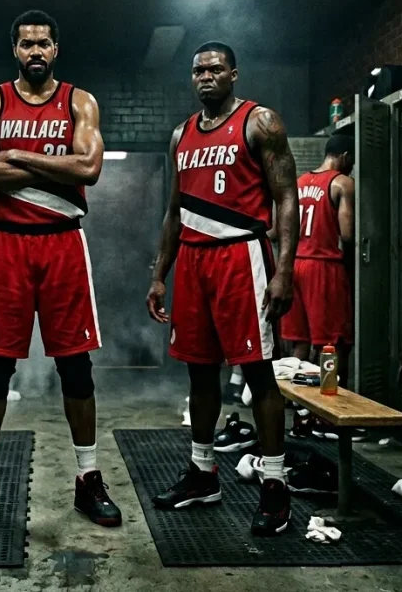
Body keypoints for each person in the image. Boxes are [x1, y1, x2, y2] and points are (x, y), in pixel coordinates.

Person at [0, 9, 121, 529]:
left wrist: (19, 154)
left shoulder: (78, 101)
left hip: (62, 243)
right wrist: (53, 164)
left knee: (76, 366)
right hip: (7, 244)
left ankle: (88, 478)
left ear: (55, 49)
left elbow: (89, 168)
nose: (35, 51)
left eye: (43, 43)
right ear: (15, 49)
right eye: (26, 43)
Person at [145, 41, 300, 536]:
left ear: (234, 74)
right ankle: (203, 472)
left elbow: (287, 197)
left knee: (258, 373)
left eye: (215, 69)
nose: (206, 76)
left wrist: (284, 270)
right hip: (193, 262)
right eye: (198, 70)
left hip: (242, 256)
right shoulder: (181, 134)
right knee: (199, 373)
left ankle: (274, 484)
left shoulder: (260, 122)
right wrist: (159, 274)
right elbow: (174, 212)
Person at [283, 134, 355, 437]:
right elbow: (347, 235)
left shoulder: (299, 183)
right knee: (332, 345)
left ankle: (300, 415)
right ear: (346, 156)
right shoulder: (342, 183)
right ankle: (327, 416)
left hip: (296, 265)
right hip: (324, 267)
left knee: (300, 344)